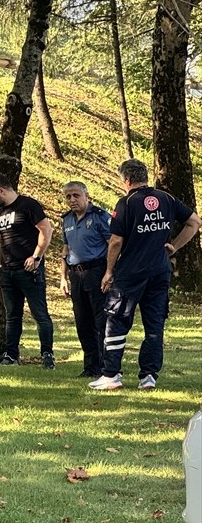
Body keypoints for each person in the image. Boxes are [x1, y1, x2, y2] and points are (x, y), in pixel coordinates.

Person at [90, 159, 201, 391]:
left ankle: (111, 374)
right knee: (154, 324)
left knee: (117, 320)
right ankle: (149, 376)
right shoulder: (167, 198)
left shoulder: (126, 203)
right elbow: (194, 222)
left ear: (127, 180)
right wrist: (174, 246)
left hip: (131, 272)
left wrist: (109, 271)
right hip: (160, 271)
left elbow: (116, 241)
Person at [0, 173, 55, 367]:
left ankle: (47, 354)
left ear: (1, 190)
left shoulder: (28, 205)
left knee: (40, 314)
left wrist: (36, 257)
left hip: (29, 270)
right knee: (12, 315)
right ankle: (11, 355)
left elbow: (46, 230)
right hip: (8, 271)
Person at [59, 182, 111, 378]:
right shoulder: (67, 220)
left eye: (76, 195)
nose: (72, 200)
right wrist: (63, 277)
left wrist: (110, 272)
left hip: (96, 271)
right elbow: (66, 250)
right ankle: (90, 366)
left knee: (101, 320)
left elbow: (113, 245)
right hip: (76, 274)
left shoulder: (100, 216)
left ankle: (106, 365)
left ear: (86, 196)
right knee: (82, 321)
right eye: (68, 197)